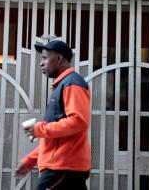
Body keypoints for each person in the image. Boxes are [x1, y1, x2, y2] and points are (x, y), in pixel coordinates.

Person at [14, 40, 91, 190]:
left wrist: (39, 129)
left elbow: (79, 122)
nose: (41, 63)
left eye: (44, 58)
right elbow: (56, 141)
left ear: (59, 58)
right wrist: (31, 160)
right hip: (64, 168)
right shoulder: (64, 84)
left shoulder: (72, 83)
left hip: (62, 168)